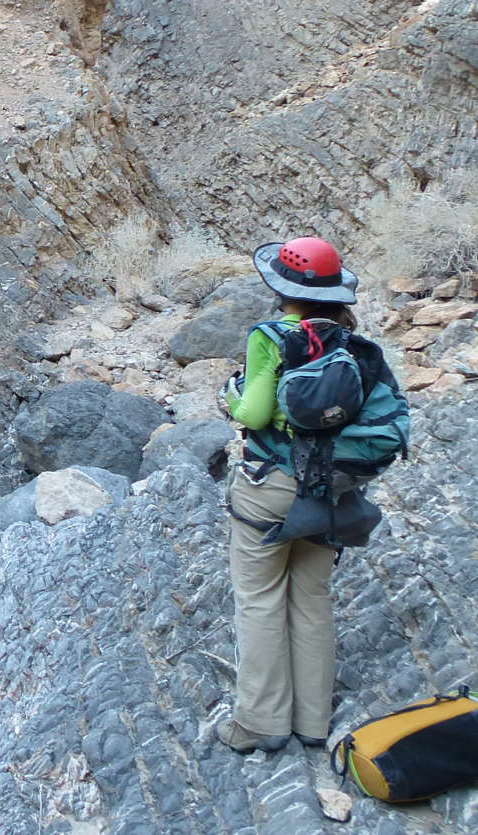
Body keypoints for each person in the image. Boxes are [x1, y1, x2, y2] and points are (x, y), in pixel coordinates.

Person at [218, 236, 363, 754]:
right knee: (311, 596)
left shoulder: (271, 337)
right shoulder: (348, 339)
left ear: (282, 289)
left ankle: (261, 722)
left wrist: (231, 394)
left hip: (271, 487)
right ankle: (312, 722)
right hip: (330, 488)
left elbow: (254, 413)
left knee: (260, 598)